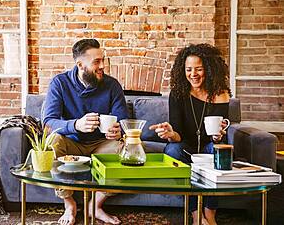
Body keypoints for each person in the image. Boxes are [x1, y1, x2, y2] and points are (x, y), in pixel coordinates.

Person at [43, 39, 128, 225]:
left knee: (127, 150)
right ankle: (69, 203)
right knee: (52, 143)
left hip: (102, 143)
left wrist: (118, 131)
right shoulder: (60, 83)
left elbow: (122, 121)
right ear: (80, 65)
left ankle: (95, 205)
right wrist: (75, 125)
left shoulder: (112, 85)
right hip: (71, 142)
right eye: (96, 62)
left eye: (103, 60)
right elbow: (48, 123)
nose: (102, 66)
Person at [149, 43, 231, 225]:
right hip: (185, 148)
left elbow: (218, 134)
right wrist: (171, 133)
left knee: (217, 150)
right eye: (188, 69)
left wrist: (218, 136)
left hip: (209, 146)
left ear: (209, 70)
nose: (193, 74)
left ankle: (209, 214)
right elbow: (178, 135)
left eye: (199, 69)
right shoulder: (178, 94)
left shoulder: (220, 94)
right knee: (172, 151)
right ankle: (195, 214)